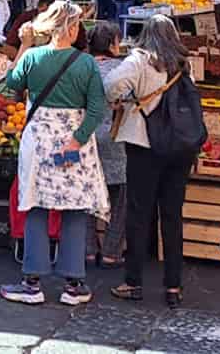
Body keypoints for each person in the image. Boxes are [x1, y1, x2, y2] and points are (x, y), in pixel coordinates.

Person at [0, 0, 109, 307]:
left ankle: (32, 282)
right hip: (74, 145)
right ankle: (74, 284)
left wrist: (23, 45)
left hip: (39, 140)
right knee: (74, 209)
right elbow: (97, 107)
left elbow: (10, 84)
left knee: (35, 205)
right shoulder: (86, 63)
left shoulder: (33, 57)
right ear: (72, 28)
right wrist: (78, 138)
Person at [105, 15, 194, 307]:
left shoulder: (141, 59)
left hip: (145, 145)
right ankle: (173, 286)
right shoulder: (183, 63)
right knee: (172, 216)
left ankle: (133, 281)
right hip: (179, 148)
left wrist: (128, 98)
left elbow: (111, 84)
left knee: (139, 214)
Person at [85, 22, 127, 270]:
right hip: (115, 139)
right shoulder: (122, 69)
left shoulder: (82, 68)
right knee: (120, 198)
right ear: (113, 44)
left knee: (87, 197)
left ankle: (88, 249)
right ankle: (111, 251)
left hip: (86, 139)